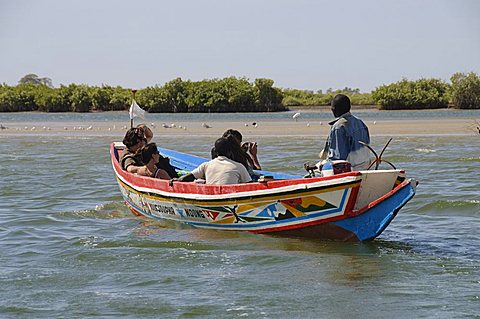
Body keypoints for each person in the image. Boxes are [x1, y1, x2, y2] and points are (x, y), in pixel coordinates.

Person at [320, 94, 373, 170]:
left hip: (351, 170)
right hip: (366, 168)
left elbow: (338, 159)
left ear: (334, 109)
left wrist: (319, 166)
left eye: (332, 108)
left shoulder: (338, 127)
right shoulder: (361, 123)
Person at [174, 136, 252, 185]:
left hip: (211, 196)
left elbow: (185, 178)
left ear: (215, 152)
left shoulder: (206, 165)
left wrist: (176, 180)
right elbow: (250, 185)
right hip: (230, 199)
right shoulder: (239, 166)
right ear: (230, 151)